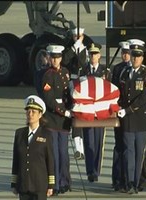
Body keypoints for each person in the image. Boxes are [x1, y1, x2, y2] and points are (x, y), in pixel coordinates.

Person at [117, 39, 146, 194]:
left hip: (140, 119)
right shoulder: (124, 73)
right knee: (128, 152)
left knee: (139, 154)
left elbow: (144, 97)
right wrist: (117, 107)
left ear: (143, 57)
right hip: (127, 120)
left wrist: (127, 110)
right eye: (133, 55)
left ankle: (137, 182)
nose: (135, 59)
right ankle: (129, 182)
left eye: (138, 56)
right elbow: (119, 94)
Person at [41, 44, 72, 195]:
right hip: (53, 118)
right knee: (54, 154)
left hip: (64, 120)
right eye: (53, 58)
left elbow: (69, 94)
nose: (55, 60)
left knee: (63, 153)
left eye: (58, 57)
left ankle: (65, 181)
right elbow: (49, 99)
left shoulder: (65, 72)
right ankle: (54, 184)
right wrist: (63, 111)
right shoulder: (48, 75)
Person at [11, 95, 55, 200]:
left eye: (33, 112)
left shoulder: (46, 134)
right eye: (28, 111)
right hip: (24, 184)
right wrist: (14, 182)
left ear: (40, 114)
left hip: (39, 185)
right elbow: (16, 159)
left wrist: (51, 184)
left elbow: (50, 160)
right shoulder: (19, 133)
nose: (30, 114)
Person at [80, 43, 110, 182]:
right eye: (91, 54)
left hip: (100, 113)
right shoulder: (83, 70)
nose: (93, 56)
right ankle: (90, 171)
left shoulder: (106, 71)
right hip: (87, 112)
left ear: (99, 56)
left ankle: (96, 170)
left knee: (98, 142)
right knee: (88, 141)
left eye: (95, 54)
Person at [62, 27, 89, 160]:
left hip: (82, 85)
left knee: (79, 116)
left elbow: (84, 64)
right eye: (75, 37)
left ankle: (81, 148)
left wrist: (80, 49)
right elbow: (65, 60)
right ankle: (77, 147)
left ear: (83, 37)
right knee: (72, 115)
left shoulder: (85, 50)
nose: (77, 39)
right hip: (71, 83)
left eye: (79, 37)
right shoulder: (70, 49)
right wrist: (74, 49)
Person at [111, 41, 131, 191]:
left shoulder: (137, 70)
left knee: (128, 147)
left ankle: (129, 179)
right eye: (123, 52)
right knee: (118, 146)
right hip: (119, 112)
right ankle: (117, 179)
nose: (125, 55)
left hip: (130, 113)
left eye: (128, 52)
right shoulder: (117, 69)